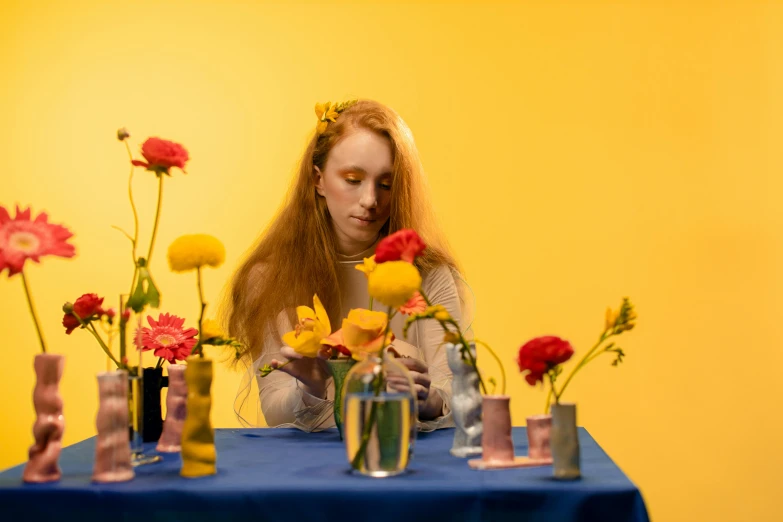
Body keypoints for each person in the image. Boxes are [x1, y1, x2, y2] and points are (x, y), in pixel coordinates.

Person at [223, 99, 471, 432]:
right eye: (353, 179)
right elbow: (274, 409)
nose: (371, 200)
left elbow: (464, 395)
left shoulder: (429, 275)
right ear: (318, 179)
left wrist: (429, 402)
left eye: (386, 184)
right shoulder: (269, 278)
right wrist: (309, 391)